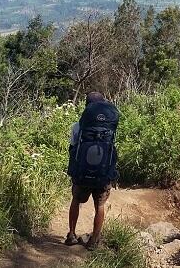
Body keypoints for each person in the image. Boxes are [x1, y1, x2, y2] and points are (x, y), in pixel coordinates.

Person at [65, 91, 119, 250]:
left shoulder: (77, 126)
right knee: (100, 205)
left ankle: (72, 235)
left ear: (87, 106)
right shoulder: (109, 128)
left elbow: (73, 147)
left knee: (75, 201)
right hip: (103, 174)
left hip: (82, 173)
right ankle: (94, 241)